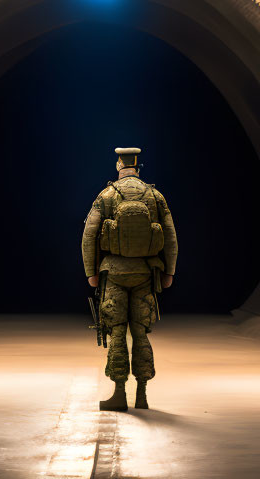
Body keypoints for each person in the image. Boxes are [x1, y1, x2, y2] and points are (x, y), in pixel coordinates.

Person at [81, 147, 178, 411]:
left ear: (118, 165)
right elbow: (169, 235)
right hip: (146, 273)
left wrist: (91, 272)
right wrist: (169, 272)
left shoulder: (107, 195)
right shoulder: (154, 195)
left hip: (113, 273)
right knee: (141, 333)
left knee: (116, 332)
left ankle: (119, 393)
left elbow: (89, 234)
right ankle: (143, 394)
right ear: (137, 165)